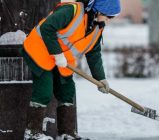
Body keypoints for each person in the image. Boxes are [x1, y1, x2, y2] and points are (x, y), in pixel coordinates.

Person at [21, 0, 121, 139]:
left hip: (63, 60)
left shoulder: (98, 26)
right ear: (97, 10)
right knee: (44, 90)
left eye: (112, 17)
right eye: (109, 16)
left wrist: (100, 78)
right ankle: (32, 133)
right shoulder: (71, 11)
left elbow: (93, 53)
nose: (109, 20)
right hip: (40, 50)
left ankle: (66, 134)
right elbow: (47, 27)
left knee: (67, 91)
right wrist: (57, 53)